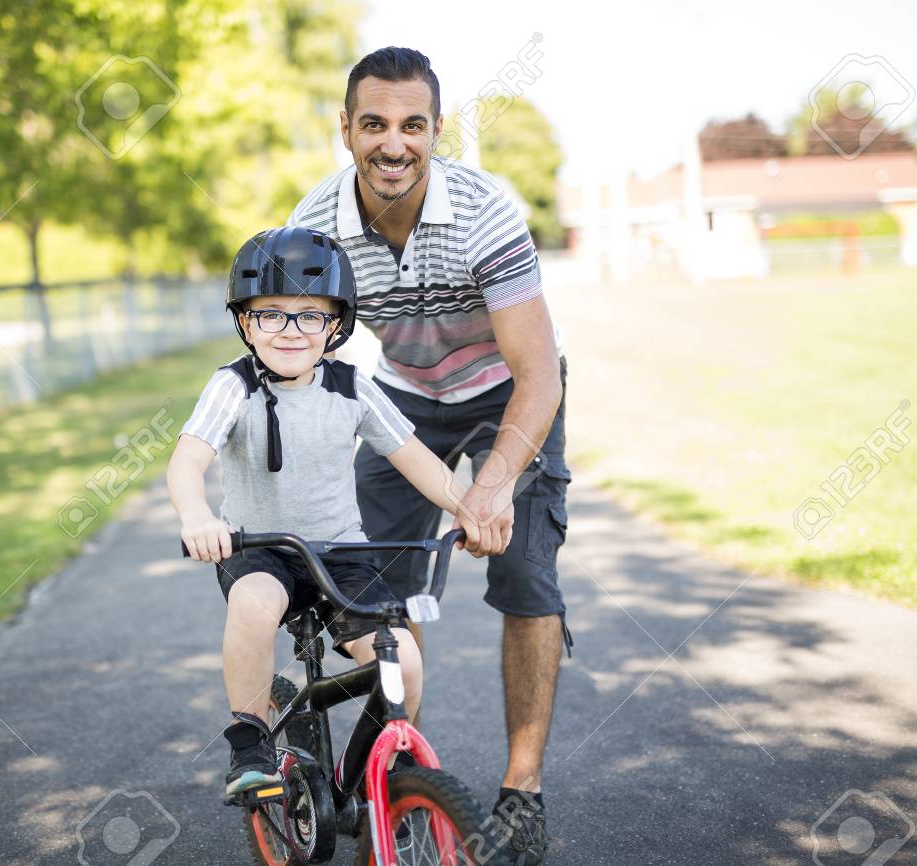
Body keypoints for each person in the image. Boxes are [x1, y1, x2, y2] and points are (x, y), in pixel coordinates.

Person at [286, 47, 570, 866]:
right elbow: (301, 360)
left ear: (436, 131)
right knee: (375, 579)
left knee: (524, 574)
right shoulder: (315, 229)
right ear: (345, 131)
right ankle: (401, 762)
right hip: (407, 396)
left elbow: (537, 373)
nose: (393, 143)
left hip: (510, 393)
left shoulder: (483, 213)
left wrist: (493, 484)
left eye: (413, 125)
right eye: (373, 123)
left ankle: (522, 791)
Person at [166, 226, 504, 800]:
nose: (291, 330)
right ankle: (250, 745)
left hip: (343, 554)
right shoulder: (233, 386)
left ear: (336, 324)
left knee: (406, 661)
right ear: (246, 322)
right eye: (271, 314)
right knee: (255, 604)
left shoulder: (353, 387)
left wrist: (469, 507)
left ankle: (381, 771)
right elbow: (186, 462)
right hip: (262, 550)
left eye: (310, 315)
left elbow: (418, 461)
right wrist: (197, 516)